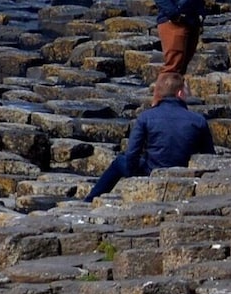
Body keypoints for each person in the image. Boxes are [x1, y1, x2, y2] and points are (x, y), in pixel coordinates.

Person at [84, 74, 213, 202]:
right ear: (179, 94)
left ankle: (90, 200)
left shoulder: (146, 117)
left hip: (152, 171)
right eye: (186, 91)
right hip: (183, 172)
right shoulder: (198, 120)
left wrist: (132, 172)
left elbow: (132, 152)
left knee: (119, 162)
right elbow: (209, 156)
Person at [158, 0, 208, 77]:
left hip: (192, 21)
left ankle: (176, 88)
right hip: (174, 22)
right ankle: (166, 88)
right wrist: (174, 14)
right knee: (172, 68)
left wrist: (201, 15)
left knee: (181, 68)